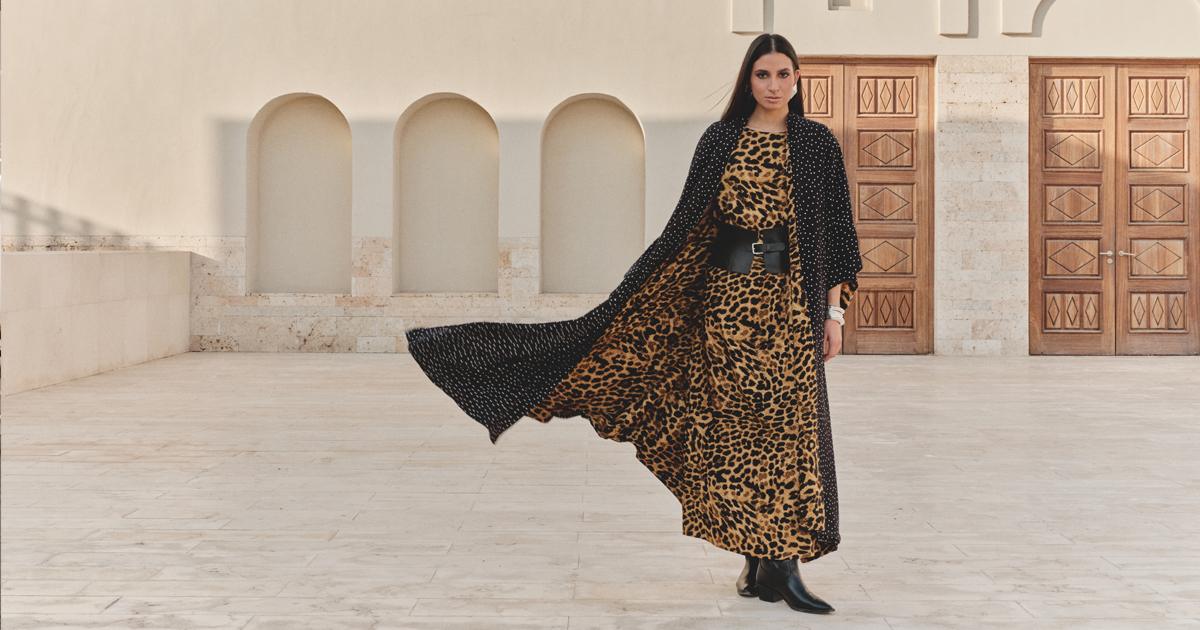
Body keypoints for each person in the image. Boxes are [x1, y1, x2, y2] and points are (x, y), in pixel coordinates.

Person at [405, 33, 862, 616]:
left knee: (787, 434)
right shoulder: (721, 140)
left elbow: (836, 234)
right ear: (748, 80)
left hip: (790, 309)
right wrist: (635, 297)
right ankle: (759, 563)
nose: (774, 86)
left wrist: (834, 313)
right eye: (762, 75)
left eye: (783, 75)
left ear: (798, 79)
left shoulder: (816, 145)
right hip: (724, 311)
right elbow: (686, 228)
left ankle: (783, 566)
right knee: (736, 436)